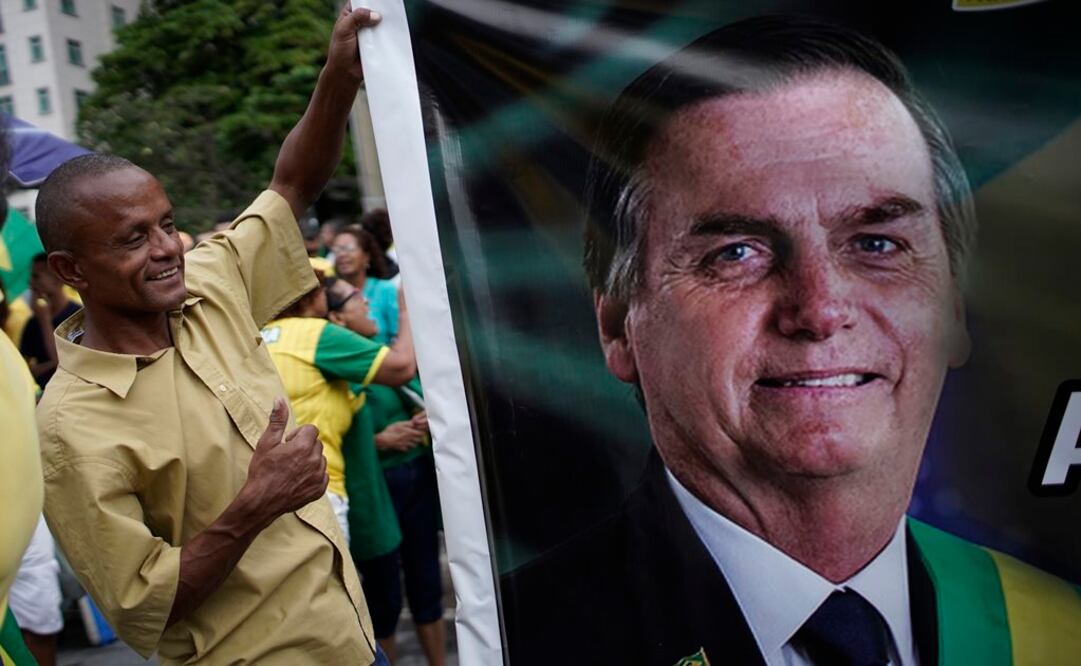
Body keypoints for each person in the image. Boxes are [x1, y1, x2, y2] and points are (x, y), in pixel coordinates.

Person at [503, 16, 1080, 665]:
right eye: (736, 252)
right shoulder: (517, 644)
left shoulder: (1057, 630)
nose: (819, 309)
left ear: (951, 310)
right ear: (616, 326)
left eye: (876, 243)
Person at [35, 6, 389, 665]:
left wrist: (338, 75)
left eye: (166, 223)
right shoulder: (70, 426)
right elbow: (141, 607)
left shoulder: (210, 282)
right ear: (69, 270)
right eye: (132, 239)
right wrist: (252, 507)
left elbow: (290, 186)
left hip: (354, 643)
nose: (167, 248)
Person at [326, 277, 446, 666]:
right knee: (383, 601)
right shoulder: (332, 365)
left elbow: (415, 392)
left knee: (427, 585)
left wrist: (422, 417)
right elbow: (329, 434)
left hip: (414, 481)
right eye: (354, 299)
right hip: (374, 495)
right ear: (337, 318)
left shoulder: (375, 352)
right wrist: (378, 441)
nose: (366, 302)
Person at [261, 270, 416, 543]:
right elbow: (401, 367)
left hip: (272, 491)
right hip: (319, 487)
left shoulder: (260, 336)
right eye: (321, 290)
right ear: (307, 296)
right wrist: (408, 312)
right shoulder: (313, 334)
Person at [19, 253, 80, 386]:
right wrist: (52, 364)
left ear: (57, 278)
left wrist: (45, 321)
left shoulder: (78, 316)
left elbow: (67, 366)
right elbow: (23, 371)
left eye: (36, 276)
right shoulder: (32, 322)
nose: (30, 282)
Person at [332, 225, 399, 343]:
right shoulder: (332, 293)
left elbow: (400, 336)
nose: (342, 255)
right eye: (337, 250)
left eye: (349, 248)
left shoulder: (386, 290)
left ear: (366, 256)